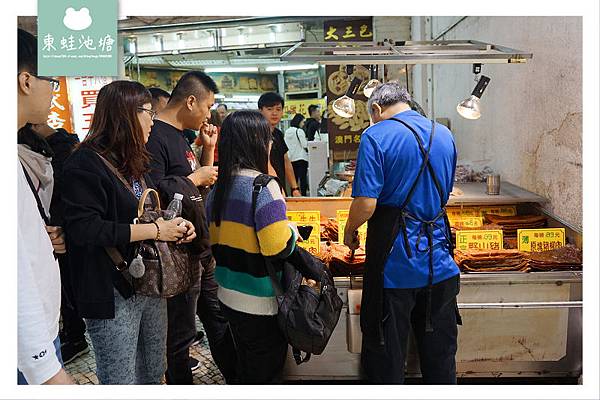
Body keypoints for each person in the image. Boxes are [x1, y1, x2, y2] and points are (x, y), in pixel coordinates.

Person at [62, 80, 196, 384]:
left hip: (149, 282)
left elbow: (148, 212)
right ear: (125, 114)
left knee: (152, 369)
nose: (153, 120)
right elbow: (85, 229)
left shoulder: (136, 160)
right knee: (120, 377)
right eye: (148, 112)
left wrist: (175, 227)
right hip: (110, 289)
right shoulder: (84, 164)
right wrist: (156, 230)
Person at [343, 82, 460, 384]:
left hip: (395, 266)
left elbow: (367, 204)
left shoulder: (375, 135)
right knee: (441, 353)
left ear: (377, 110)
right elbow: (444, 193)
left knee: (387, 354)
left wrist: (350, 229)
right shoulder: (444, 134)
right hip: (440, 262)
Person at [145, 71, 236, 384]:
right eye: (208, 106)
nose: (209, 114)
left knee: (219, 319)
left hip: (200, 249)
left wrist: (206, 154)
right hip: (177, 253)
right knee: (180, 337)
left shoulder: (180, 136)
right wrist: (196, 178)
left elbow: (189, 188)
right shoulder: (155, 136)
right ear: (191, 100)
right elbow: (154, 191)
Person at [206, 110, 299, 383]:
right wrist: (292, 231)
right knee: (264, 374)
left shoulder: (217, 189)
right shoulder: (263, 186)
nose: (270, 144)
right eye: (267, 138)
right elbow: (276, 247)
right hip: (261, 303)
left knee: (246, 364)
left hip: (228, 296)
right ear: (257, 143)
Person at [17, 28, 74, 385]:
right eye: (50, 81)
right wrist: (45, 367)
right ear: (26, 80)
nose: (52, 92)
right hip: (27, 351)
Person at [29, 123, 88, 365]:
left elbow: (66, 196)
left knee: (66, 288)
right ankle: (73, 334)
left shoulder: (58, 152)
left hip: (59, 233)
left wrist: (60, 227)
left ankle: (75, 336)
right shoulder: (65, 144)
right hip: (58, 231)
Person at [258, 92, 301, 197]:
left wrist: (294, 188)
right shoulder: (256, 135)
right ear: (260, 111)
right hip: (262, 189)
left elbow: (286, 161)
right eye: (269, 109)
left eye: (278, 109)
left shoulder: (278, 134)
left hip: (279, 187)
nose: (274, 113)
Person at [284, 113, 309, 196]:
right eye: (302, 122)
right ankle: (303, 195)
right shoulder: (299, 131)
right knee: (302, 179)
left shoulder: (287, 131)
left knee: (293, 179)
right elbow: (304, 145)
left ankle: (293, 194)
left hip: (291, 159)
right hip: (301, 158)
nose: (303, 124)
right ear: (299, 121)